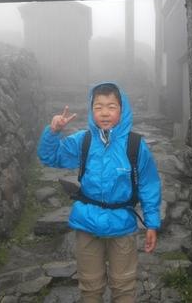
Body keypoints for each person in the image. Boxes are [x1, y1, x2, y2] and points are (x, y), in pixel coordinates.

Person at [37, 82, 161, 303]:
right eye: (98, 107)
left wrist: (151, 223)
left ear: (123, 110)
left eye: (111, 107)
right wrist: (53, 132)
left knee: (124, 287)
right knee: (90, 287)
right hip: (87, 225)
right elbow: (50, 157)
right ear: (91, 110)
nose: (105, 113)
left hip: (122, 225)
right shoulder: (84, 141)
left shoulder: (135, 145)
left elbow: (149, 185)